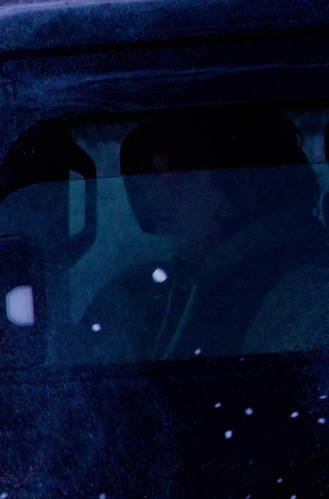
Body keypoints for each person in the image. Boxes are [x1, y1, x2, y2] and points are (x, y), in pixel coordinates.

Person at [82, 106, 329, 360]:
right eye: (154, 177)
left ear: (238, 185)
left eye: (179, 176)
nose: (154, 194)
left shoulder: (305, 299)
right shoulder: (164, 291)